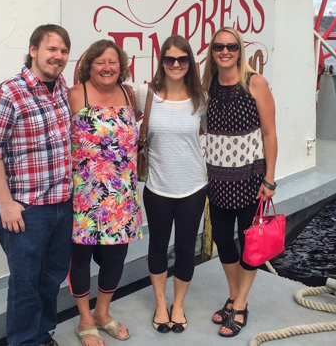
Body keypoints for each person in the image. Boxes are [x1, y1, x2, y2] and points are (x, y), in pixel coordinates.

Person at [0, 24, 73, 346]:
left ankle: (41, 335)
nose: (58, 56)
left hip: (62, 205)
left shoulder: (61, 89)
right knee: (25, 284)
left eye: (63, 51)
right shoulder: (8, 93)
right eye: (51, 49)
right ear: (33, 50)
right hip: (26, 211)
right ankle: (24, 341)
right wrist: (6, 202)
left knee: (52, 279)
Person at [201, 26, 278, 339]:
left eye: (231, 46)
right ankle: (234, 295)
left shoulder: (254, 83)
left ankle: (241, 302)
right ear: (212, 51)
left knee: (250, 243)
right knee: (221, 238)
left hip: (249, 178)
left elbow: (270, 134)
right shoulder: (209, 84)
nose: (225, 52)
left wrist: (269, 179)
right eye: (219, 46)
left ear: (239, 50)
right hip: (218, 179)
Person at [68, 39, 143, 346]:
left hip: (122, 194)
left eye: (112, 62)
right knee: (81, 256)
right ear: (89, 65)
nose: (107, 68)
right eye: (100, 62)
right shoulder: (75, 94)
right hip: (85, 193)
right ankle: (85, 319)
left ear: (121, 65)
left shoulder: (129, 93)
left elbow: (174, 92)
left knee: (116, 255)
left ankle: (102, 312)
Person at [136, 35, 207, 334]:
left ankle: (178, 304)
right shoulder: (145, 94)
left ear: (189, 62)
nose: (176, 64)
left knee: (186, 247)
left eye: (182, 59)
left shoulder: (202, 99)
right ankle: (161, 304)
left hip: (193, 186)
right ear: (162, 62)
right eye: (170, 59)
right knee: (157, 245)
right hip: (157, 186)